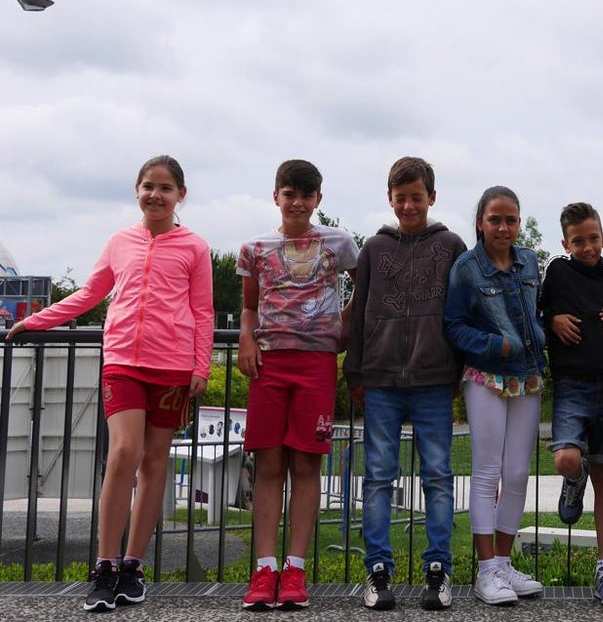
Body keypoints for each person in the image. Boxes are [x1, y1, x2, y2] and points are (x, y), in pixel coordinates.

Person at [8, 156, 214, 612]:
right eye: (147, 186)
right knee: (124, 453)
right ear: (136, 190)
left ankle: (132, 567)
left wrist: (201, 367)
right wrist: (36, 321)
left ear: (181, 194)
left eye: (165, 187)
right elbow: (89, 293)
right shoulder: (120, 241)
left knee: (155, 462)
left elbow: (203, 311)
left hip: (173, 366)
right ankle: (103, 565)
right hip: (122, 358)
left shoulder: (195, 247)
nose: (155, 195)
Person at [344, 157, 466, 610]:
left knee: (437, 475)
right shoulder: (373, 248)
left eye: (417, 197)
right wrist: (354, 371)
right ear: (390, 200)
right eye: (401, 198)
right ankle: (378, 570)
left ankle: (438, 569)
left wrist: (459, 368)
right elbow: (357, 314)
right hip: (380, 378)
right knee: (378, 477)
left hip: (435, 377)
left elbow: (461, 309)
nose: (409, 205)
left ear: (431, 197)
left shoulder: (451, 244)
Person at [237, 159, 359, 611]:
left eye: (306, 196)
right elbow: (249, 308)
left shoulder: (339, 242)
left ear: (318, 201)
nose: (298, 202)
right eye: (289, 194)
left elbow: (362, 285)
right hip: (268, 364)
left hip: (317, 364)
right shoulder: (254, 248)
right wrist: (247, 338)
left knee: (307, 466)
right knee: (269, 466)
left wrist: (344, 321)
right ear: (276, 197)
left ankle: (295, 569)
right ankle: (265, 567)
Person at [443, 186, 547, 606]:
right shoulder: (467, 268)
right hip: (485, 376)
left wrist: (541, 332)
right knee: (487, 472)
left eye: (511, 220)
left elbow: (536, 310)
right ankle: (486, 571)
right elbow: (452, 325)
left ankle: (503, 564)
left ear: (519, 223)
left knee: (518, 473)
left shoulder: (530, 262)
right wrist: (495, 345)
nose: (504, 227)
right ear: (481, 222)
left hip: (527, 377)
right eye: (495, 220)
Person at [539, 201, 603, 606]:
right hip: (572, 384)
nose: (588, 247)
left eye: (594, 239)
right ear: (566, 242)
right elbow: (536, 313)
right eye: (579, 241)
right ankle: (573, 482)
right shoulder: (557, 272)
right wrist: (552, 321)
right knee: (566, 459)